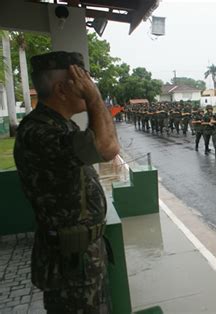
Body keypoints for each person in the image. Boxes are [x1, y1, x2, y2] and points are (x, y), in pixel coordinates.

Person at [13, 51, 120, 313]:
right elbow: (108, 147)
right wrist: (95, 97)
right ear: (61, 89)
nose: (88, 85)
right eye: (81, 80)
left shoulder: (61, 125)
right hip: (70, 264)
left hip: (81, 256)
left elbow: (105, 143)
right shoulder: (40, 131)